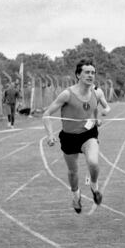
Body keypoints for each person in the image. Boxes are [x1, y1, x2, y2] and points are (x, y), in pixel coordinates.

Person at [43, 59, 111, 213]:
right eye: (87, 72)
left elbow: (106, 106)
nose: (90, 75)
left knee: (93, 162)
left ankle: (94, 188)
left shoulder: (97, 92)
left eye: (93, 72)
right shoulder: (67, 94)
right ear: (78, 75)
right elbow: (46, 114)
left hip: (89, 134)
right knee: (73, 172)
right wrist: (50, 135)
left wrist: (101, 114)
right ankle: (76, 196)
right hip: (69, 137)